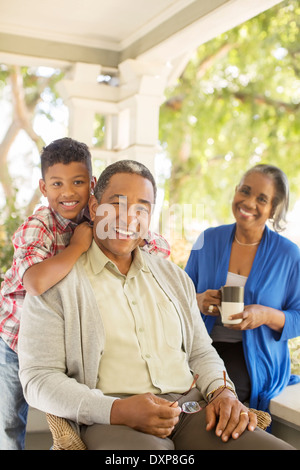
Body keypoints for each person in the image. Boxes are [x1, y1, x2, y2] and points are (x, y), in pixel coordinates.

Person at [18, 160, 294, 449]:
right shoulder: (56, 284)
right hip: (111, 417)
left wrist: (222, 392)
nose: (128, 218)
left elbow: (201, 351)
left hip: (193, 411)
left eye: (142, 208)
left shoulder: (174, 278)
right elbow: (38, 379)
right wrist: (116, 410)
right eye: (118, 203)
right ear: (94, 206)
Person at [0, 140, 169, 450]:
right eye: (57, 184)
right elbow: (36, 283)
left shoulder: (100, 218)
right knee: (9, 421)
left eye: (78, 182)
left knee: (77, 410)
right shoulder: (39, 227)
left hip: (67, 339)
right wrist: (77, 247)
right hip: (16, 337)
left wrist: (132, 234)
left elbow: (159, 247)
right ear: (43, 187)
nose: (68, 192)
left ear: (91, 185)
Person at [185, 164, 300, 413]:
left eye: (261, 199)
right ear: (236, 191)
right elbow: (176, 297)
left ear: (273, 208)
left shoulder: (288, 255)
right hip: (200, 346)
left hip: (251, 358)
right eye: (245, 191)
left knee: (212, 400)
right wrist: (198, 299)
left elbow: (298, 317)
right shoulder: (208, 239)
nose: (249, 202)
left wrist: (265, 315)